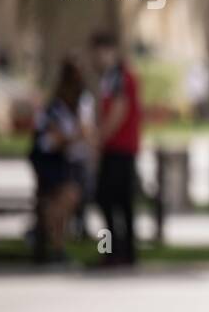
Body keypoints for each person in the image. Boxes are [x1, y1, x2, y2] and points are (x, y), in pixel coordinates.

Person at [90, 32, 142, 265]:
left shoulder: (119, 77)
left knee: (111, 198)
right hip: (118, 147)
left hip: (120, 147)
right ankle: (122, 251)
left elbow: (118, 111)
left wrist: (99, 138)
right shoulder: (111, 77)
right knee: (117, 200)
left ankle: (120, 252)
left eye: (100, 52)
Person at [29, 59, 88, 263]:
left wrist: (74, 137)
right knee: (58, 199)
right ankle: (51, 241)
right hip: (48, 159)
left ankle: (53, 242)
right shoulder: (55, 107)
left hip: (63, 159)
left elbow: (76, 134)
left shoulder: (77, 104)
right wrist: (73, 137)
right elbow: (55, 137)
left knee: (66, 198)